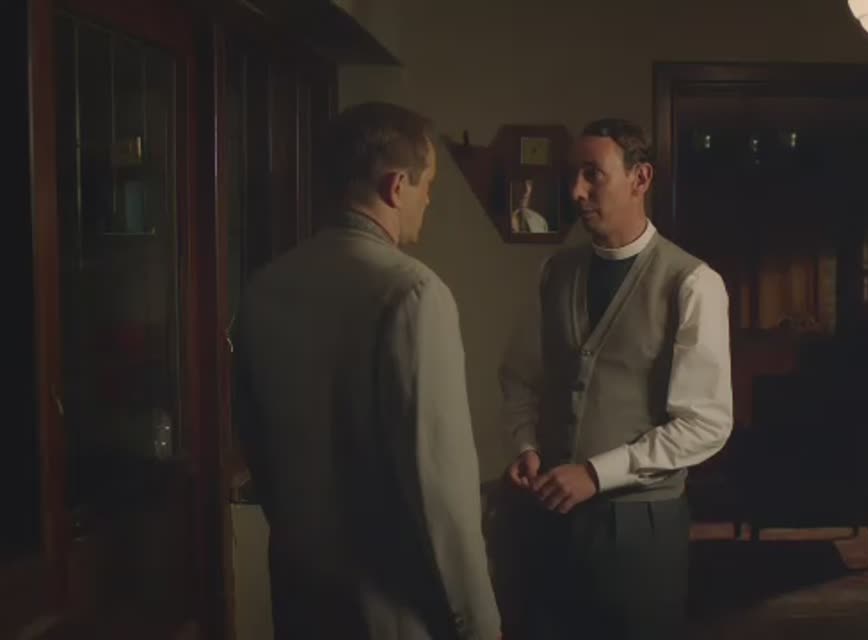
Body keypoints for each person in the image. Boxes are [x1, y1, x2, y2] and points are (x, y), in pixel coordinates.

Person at [232, 101, 501, 640]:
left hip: (299, 592)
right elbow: (440, 486)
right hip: (390, 606)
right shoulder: (413, 293)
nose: (429, 200)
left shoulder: (265, 286)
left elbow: (254, 440)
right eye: (428, 185)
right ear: (397, 186)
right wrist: (479, 623)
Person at [498, 118, 733, 639]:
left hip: (640, 528)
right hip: (549, 519)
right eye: (572, 176)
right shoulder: (554, 273)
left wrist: (596, 473)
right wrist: (526, 444)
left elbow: (706, 424)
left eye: (592, 175)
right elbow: (519, 376)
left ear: (639, 178)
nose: (576, 192)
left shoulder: (693, 283)